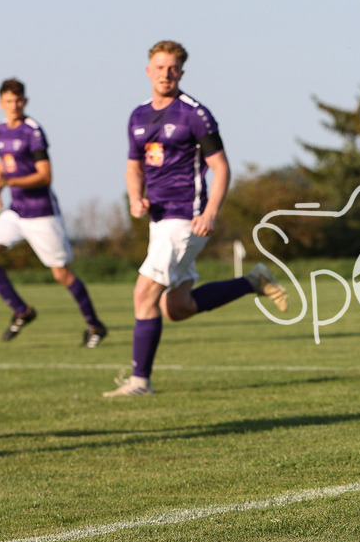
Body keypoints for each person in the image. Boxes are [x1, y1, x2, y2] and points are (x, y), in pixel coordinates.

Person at [105, 41, 288, 397]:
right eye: (159, 67)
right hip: (159, 220)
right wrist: (134, 197)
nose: (165, 74)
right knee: (177, 307)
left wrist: (211, 211)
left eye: (172, 68)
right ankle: (253, 281)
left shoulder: (194, 113)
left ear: (182, 73)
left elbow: (220, 167)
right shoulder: (138, 115)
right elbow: (133, 166)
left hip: (186, 218)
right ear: (148, 71)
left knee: (143, 293)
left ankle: (140, 382)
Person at [0, 78, 108, 346]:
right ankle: (22, 311)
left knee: (61, 274)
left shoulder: (33, 131)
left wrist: (8, 181)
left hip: (42, 213)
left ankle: (95, 326)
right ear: (1, 103)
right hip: (17, 211)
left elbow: (45, 176)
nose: (14, 105)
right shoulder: (0, 130)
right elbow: (5, 163)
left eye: (18, 100)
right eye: (9, 101)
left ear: (25, 101)